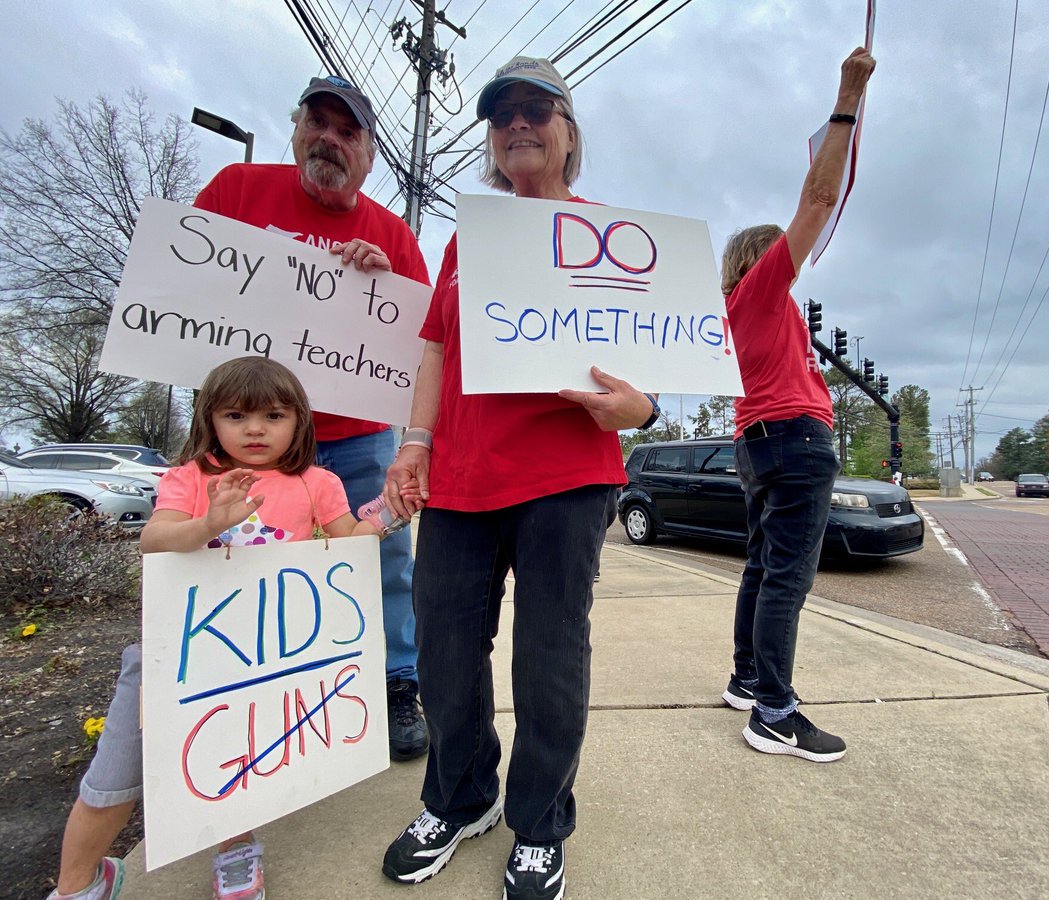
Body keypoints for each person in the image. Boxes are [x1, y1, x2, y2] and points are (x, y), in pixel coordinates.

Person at [377, 57, 658, 900]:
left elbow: (656, 360)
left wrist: (641, 410)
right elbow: (433, 349)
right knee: (444, 650)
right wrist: (414, 444)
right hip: (460, 478)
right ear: (493, 144)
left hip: (568, 477)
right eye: (503, 117)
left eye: (538, 110)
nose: (519, 126)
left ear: (571, 134)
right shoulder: (469, 239)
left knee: (549, 658)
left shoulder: (618, 238)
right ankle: (461, 799)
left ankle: (540, 822)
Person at [47, 357, 382, 900]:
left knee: (234, 757)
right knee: (113, 776)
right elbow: (154, 541)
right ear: (210, 419)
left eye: (274, 415)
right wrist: (210, 523)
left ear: (299, 420)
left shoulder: (316, 481)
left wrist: (390, 514)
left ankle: (234, 847)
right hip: (174, 651)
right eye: (236, 415)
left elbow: (348, 541)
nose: (254, 429)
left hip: (263, 652)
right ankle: (77, 884)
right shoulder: (190, 478)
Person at [193, 75, 433, 761]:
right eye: (318, 122)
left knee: (382, 559)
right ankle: (247, 694)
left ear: (369, 155)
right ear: (296, 128)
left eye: (348, 130)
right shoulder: (235, 193)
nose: (330, 138)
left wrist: (387, 282)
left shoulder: (391, 233)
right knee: (242, 560)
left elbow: (423, 339)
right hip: (252, 442)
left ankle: (396, 684)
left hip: (357, 438)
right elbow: (186, 288)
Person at [719, 47, 876, 762]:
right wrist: (848, 96)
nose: (794, 259)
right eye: (782, 253)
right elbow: (817, 200)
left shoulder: (729, 314)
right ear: (762, 259)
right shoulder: (759, 293)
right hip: (794, 438)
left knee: (761, 566)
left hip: (757, 442)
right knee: (787, 576)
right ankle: (775, 713)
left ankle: (749, 680)